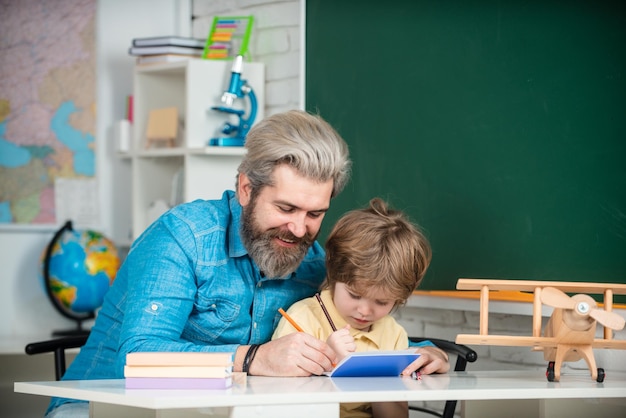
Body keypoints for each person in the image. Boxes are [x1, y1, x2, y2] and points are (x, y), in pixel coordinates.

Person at [45, 109, 352, 417]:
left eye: (315, 215)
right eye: (286, 208)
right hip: (99, 407)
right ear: (246, 189)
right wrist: (253, 358)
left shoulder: (313, 263)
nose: (300, 230)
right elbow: (137, 356)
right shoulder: (182, 237)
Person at [272, 198, 450, 418]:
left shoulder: (393, 335)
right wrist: (329, 365)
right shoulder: (302, 319)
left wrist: (386, 385)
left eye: (382, 302)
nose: (365, 311)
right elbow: (279, 404)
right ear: (334, 275)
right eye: (355, 295)